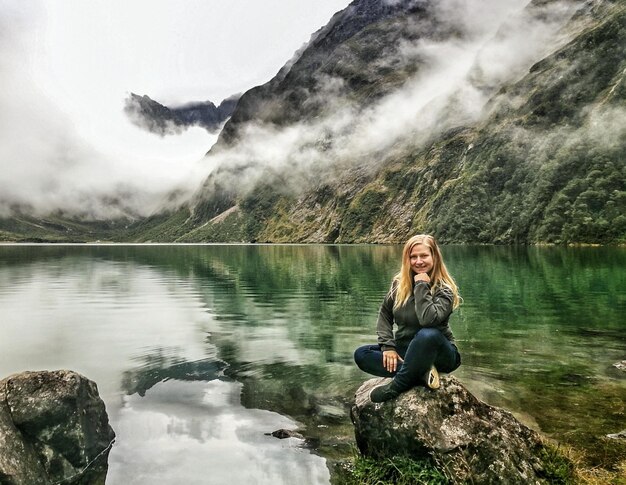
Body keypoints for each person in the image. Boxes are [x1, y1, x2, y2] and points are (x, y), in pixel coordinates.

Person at [354, 234, 461, 403]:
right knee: (361, 354)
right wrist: (388, 346)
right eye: (413, 257)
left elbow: (428, 320)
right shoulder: (399, 284)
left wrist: (421, 285)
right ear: (407, 259)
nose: (418, 261)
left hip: (440, 354)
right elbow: (385, 314)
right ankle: (422, 374)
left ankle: (397, 386)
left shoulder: (444, 290)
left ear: (434, 257)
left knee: (428, 334)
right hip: (406, 350)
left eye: (424, 256)